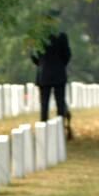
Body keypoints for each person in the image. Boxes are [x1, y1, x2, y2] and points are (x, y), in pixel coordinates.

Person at [31, 9, 73, 139]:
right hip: (59, 73)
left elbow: (34, 56)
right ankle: (60, 130)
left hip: (44, 74)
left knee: (44, 103)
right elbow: (67, 55)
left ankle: (44, 129)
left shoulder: (38, 37)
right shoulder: (61, 36)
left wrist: (41, 65)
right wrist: (60, 65)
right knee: (60, 103)